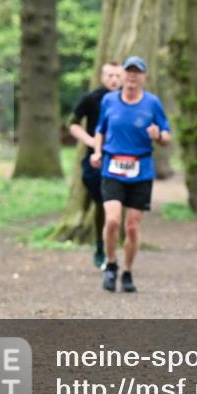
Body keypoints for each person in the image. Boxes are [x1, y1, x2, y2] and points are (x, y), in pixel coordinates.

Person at [89, 56, 172, 293]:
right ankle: (111, 265)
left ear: (144, 76)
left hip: (141, 170)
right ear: (123, 74)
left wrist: (158, 135)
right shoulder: (109, 100)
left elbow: (167, 136)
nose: (132, 76)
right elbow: (99, 131)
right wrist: (96, 152)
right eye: (129, 71)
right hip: (113, 168)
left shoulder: (153, 103)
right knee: (113, 220)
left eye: (138, 72)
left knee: (132, 227)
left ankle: (127, 271)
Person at [68, 61, 122, 268]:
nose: (114, 80)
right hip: (97, 160)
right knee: (103, 202)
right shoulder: (92, 99)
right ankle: (100, 245)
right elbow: (72, 123)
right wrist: (90, 141)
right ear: (102, 76)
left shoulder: (129, 100)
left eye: (117, 76)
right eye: (109, 75)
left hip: (124, 159)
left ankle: (114, 244)